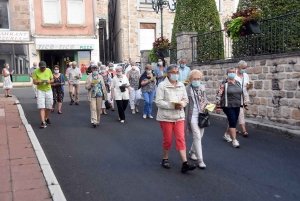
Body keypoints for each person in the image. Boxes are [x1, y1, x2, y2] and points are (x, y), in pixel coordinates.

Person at [155, 64, 196, 173]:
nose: (176, 74)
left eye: (177, 72)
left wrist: (181, 104)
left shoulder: (181, 85)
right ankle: (165, 158)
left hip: (179, 116)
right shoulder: (162, 85)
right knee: (168, 140)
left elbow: (186, 99)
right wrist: (172, 105)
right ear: (168, 74)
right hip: (166, 117)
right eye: (174, 72)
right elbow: (158, 102)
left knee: (181, 139)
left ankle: (185, 163)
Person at [216, 67, 248, 148]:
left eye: (233, 72)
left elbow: (242, 94)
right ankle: (234, 140)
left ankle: (227, 135)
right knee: (233, 120)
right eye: (230, 72)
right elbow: (219, 95)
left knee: (234, 121)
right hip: (227, 105)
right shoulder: (224, 83)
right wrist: (218, 106)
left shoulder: (238, 83)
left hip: (237, 105)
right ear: (227, 73)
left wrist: (245, 104)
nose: (232, 73)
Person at [185, 70, 209, 169]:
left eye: (198, 79)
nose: (197, 81)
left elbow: (205, 99)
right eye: (194, 79)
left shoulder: (202, 88)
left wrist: (207, 103)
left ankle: (192, 152)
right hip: (192, 115)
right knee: (197, 136)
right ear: (190, 80)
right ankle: (200, 160)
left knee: (200, 136)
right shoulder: (187, 89)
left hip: (202, 115)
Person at [32, 61, 54, 129]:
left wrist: (49, 82)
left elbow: (52, 79)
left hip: (48, 90)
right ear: (39, 67)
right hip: (40, 90)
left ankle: (46, 119)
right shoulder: (35, 71)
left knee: (49, 106)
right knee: (41, 106)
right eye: (41, 68)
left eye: (44, 68)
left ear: (46, 67)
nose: (43, 69)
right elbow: (34, 81)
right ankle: (43, 122)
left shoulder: (48, 70)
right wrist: (39, 83)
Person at [235, 60, 251, 137]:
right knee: (240, 113)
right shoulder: (233, 75)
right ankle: (244, 130)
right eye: (243, 68)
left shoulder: (246, 75)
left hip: (244, 96)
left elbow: (247, 86)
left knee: (238, 114)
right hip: (236, 97)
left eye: (245, 68)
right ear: (239, 67)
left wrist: (249, 86)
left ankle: (232, 127)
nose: (244, 69)